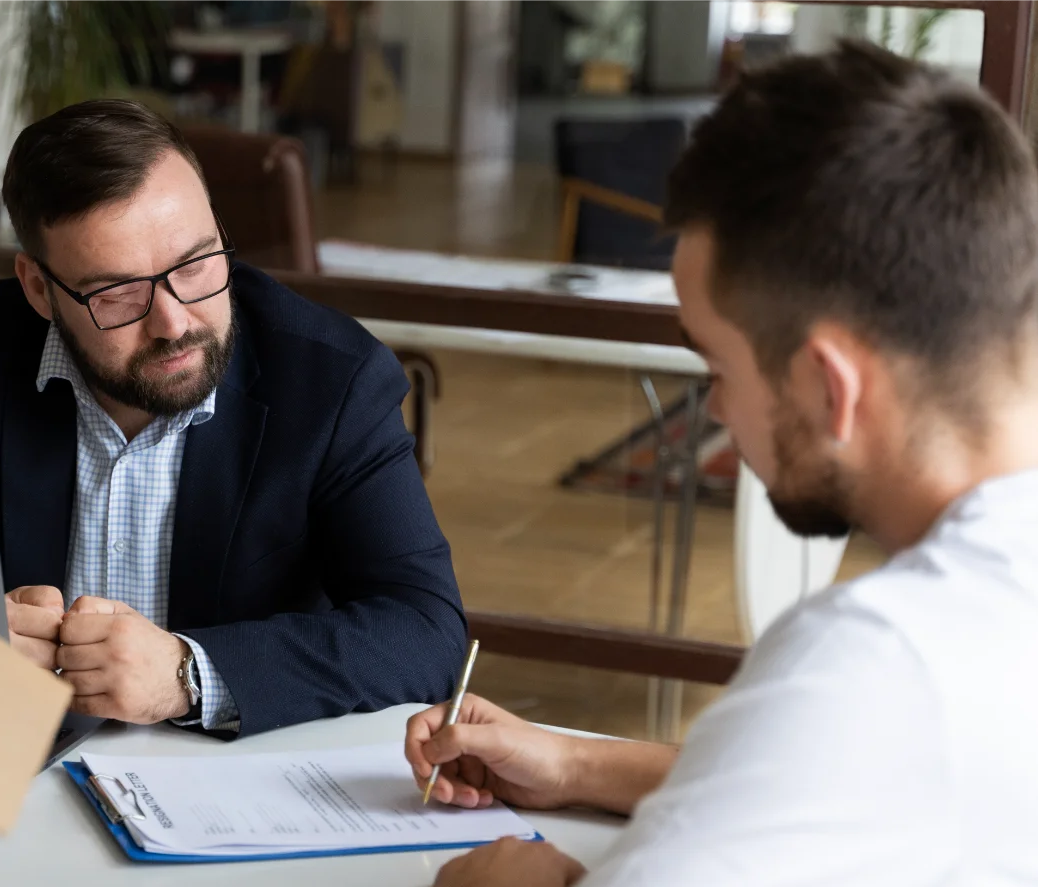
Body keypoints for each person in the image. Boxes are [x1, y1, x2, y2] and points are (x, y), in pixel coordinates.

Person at [406, 40, 1038, 886]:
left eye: (717, 368)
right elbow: (839, 778)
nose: (715, 411)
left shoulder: (880, 659)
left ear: (828, 386)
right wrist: (575, 762)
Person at [0, 99, 467, 737]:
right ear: (39, 289)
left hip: (229, 773)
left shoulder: (332, 379)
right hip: (14, 759)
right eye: (118, 292)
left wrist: (189, 675)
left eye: (196, 263)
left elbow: (426, 631)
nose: (174, 322)